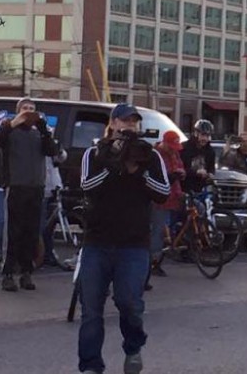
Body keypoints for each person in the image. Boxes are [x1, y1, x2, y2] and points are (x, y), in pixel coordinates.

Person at [78, 103, 170, 374]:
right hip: (97, 241)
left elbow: (163, 192)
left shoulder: (149, 155)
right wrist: (112, 164)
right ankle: (91, 366)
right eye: (124, 121)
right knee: (91, 309)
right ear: (113, 123)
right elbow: (86, 186)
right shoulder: (95, 152)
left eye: (134, 122)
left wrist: (136, 170)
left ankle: (133, 347)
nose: (129, 126)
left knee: (129, 302)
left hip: (133, 244)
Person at [0, 97, 58, 292]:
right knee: (13, 232)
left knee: (31, 232)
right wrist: (11, 124)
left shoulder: (39, 134)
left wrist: (44, 130)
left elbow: (52, 151)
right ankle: (8, 273)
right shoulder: (9, 132)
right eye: (25, 109)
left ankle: (26, 273)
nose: (28, 111)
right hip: (16, 187)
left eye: (32, 109)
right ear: (18, 111)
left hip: (36, 188)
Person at [149, 130, 186, 281]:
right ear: (164, 142)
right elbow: (157, 177)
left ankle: (182, 246)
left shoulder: (175, 154)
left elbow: (181, 166)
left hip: (174, 196)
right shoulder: (155, 155)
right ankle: (153, 263)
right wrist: (172, 176)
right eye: (171, 146)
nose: (173, 149)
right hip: (160, 199)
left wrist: (181, 172)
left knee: (196, 210)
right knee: (158, 231)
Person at [41, 145, 68, 268]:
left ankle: (48, 253)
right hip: (43, 188)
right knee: (42, 224)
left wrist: (59, 150)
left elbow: (61, 158)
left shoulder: (52, 145)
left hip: (55, 186)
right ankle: (41, 254)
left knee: (50, 225)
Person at [180, 119, 216, 194]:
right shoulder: (184, 148)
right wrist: (195, 172)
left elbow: (211, 168)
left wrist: (210, 174)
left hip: (202, 190)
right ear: (196, 133)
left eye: (208, 135)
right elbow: (179, 169)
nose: (205, 139)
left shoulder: (210, 151)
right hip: (184, 188)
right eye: (203, 135)